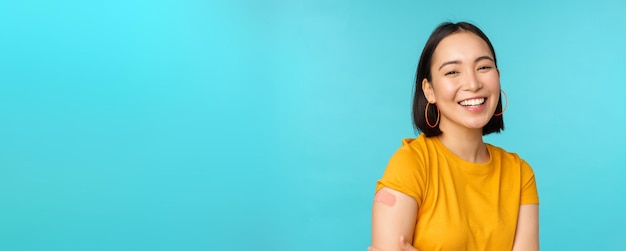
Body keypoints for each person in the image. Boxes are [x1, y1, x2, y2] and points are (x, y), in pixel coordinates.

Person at [369, 22, 539, 251]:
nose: (472, 83)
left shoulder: (520, 174)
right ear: (429, 90)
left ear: (497, 78)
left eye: (483, 67)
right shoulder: (410, 165)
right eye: (452, 72)